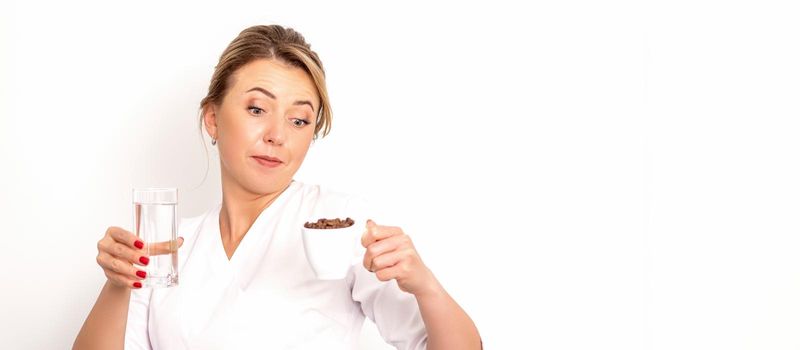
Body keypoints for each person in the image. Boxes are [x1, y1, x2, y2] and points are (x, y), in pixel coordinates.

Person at [73, 24, 481, 350]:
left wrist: (425, 286)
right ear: (212, 118)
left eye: (299, 120)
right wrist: (117, 283)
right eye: (256, 109)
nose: (277, 135)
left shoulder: (341, 227)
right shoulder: (170, 248)